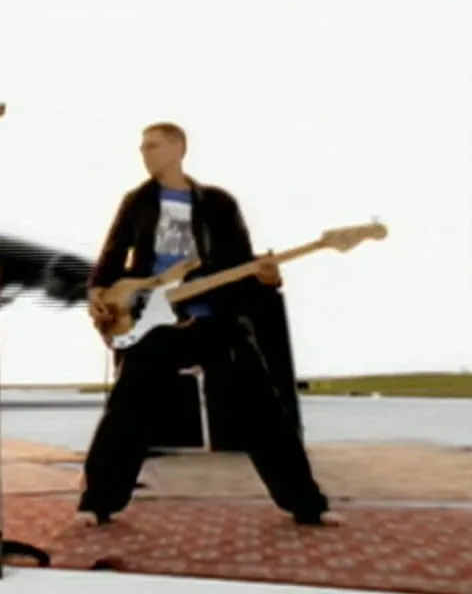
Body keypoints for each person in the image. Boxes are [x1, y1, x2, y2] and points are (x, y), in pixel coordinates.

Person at [78, 122, 342, 527]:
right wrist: (98, 292)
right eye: (142, 147)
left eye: (153, 145)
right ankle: (97, 504)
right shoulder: (137, 202)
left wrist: (267, 278)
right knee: (126, 412)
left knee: (263, 411)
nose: (144, 153)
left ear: (178, 148)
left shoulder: (218, 204)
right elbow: (111, 258)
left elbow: (242, 264)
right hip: (154, 323)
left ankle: (308, 505)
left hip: (215, 320)